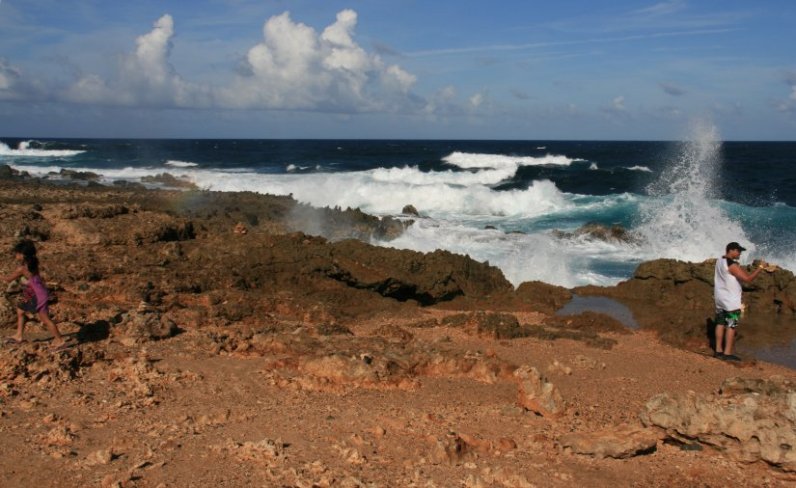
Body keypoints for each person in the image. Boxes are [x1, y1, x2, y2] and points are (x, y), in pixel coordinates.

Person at [2, 240, 68, 351]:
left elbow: (8, 279)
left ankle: (60, 341)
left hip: (37, 294)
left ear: (23, 255)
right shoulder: (33, 263)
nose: (16, 255)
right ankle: (18, 336)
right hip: (31, 292)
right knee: (20, 310)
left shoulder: (22, 268)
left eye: (17, 253)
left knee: (45, 318)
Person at [713, 241, 764, 361]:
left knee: (720, 323)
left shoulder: (720, 259)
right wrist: (760, 268)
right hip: (730, 301)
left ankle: (718, 350)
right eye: (738, 251)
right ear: (731, 250)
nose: (740, 253)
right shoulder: (731, 265)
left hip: (720, 298)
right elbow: (748, 279)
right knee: (731, 325)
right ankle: (727, 353)